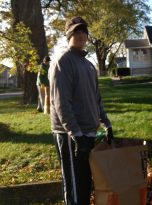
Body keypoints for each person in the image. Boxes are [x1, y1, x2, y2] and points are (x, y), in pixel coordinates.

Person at [48, 16, 114, 205]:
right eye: (75, 32)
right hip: (70, 136)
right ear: (68, 35)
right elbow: (61, 103)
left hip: (89, 133)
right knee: (74, 187)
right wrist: (76, 134)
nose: (80, 35)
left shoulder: (88, 65)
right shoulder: (63, 61)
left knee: (85, 184)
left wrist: (106, 123)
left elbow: (96, 99)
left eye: (83, 31)